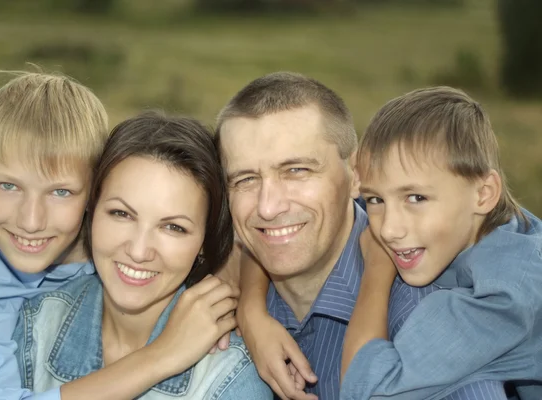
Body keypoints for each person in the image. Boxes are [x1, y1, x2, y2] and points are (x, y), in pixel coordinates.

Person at [215, 72, 508, 400]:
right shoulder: (212, 304)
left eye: (296, 171)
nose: (268, 207)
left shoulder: (431, 320)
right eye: (245, 179)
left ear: (357, 175)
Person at [12, 111, 272, 399]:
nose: (138, 251)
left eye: (173, 227)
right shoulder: (33, 327)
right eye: (121, 214)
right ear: (91, 209)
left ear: (203, 241)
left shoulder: (229, 376)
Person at [338, 86, 542, 400]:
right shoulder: (480, 222)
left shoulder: (503, 295)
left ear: (483, 194)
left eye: (416, 197)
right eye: (376, 199)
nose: (389, 229)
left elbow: (369, 390)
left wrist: (377, 270)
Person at [0, 70, 109, 400]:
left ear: (95, 190)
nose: (31, 221)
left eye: (60, 192)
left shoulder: (125, 234)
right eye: (9, 186)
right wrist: (161, 358)